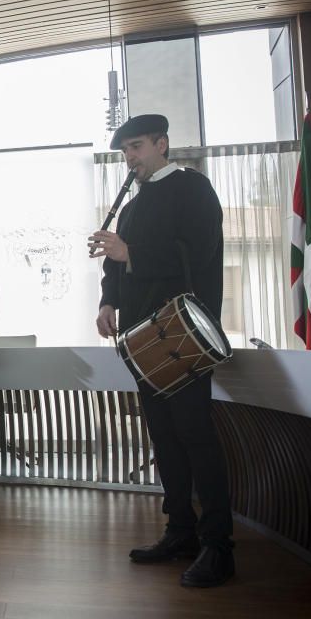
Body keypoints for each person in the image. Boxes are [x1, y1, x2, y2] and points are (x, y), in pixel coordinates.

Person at [90, 114, 234, 588]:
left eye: (136, 147)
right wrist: (108, 299)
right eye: (125, 151)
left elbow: (199, 251)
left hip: (182, 335)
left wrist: (129, 254)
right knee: (165, 438)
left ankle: (219, 547)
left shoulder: (193, 189)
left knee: (196, 435)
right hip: (141, 338)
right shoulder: (132, 206)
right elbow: (115, 263)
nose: (130, 158)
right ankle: (181, 532)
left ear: (162, 144)